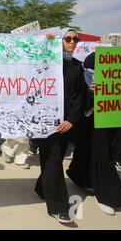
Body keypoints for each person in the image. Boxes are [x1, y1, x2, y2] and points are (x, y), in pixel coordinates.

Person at [66, 51, 121, 215]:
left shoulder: (114, 77)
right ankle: (82, 177)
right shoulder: (81, 76)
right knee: (85, 151)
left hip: (104, 125)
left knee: (101, 156)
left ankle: (107, 196)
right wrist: (91, 92)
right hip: (85, 124)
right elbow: (77, 100)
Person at [32, 28, 85, 224]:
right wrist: (43, 43)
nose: (72, 42)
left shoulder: (77, 66)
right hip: (47, 121)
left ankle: (41, 188)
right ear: (59, 41)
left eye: (75, 39)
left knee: (53, 159)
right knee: (53, 160)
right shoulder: (48, 62)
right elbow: (29, 63)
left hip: (66, 123)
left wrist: (71, 120)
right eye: (68, 39)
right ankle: (59, 206)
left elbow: (79, 96)